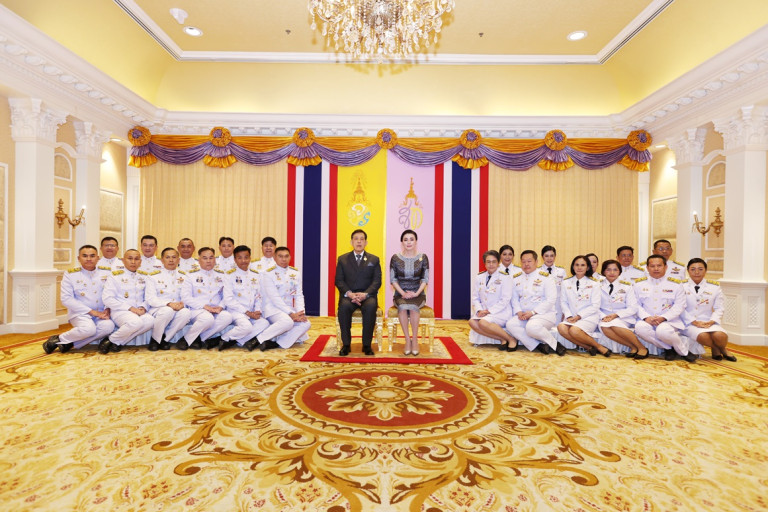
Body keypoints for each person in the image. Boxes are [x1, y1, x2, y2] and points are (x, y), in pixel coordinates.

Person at [42, 245, 114, 354]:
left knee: (108, 327)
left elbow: (111, 294)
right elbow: (66, 299)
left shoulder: (106, 273)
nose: (89, 259)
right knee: (89, 329)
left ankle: (70, 343)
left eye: (92, 256)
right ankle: (59, 338)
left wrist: (108, 308)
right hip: (80, 313)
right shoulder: (71, 274)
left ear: (98, 258)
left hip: (101, 312)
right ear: (78, 258)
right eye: (85, 256)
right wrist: (92, 312)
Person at [634, 255, 697, 363]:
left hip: (669, 320)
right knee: (640, 328)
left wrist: (664, 317)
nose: (656, 269)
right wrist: (646, 317)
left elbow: (680, 305)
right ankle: (669, 348)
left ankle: (684, 352)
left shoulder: (676, 284)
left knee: (662, 330)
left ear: (666, 267)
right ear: (647, 268)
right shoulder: (638, 284)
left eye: (659, 266)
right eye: (652, 266)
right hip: (647, 319)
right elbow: (635, 304)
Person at [506, 250, 565, 355]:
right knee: (510, 325)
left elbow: (551, 299)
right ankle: (537, 345)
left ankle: (555, 344)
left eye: (529, 261)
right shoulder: (516, 277)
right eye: (523, 261)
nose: (526, 264)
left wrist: (533, 312)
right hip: (524, 314)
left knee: (531, 327)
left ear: (536, 262)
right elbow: (514, 298)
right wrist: (519, 311)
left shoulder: (546, 277)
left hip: (543, 314)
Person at [335, 229, 382, 356]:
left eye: (362, 239)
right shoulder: (343, 259)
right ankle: (346, 345)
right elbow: (339, 280)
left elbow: (377, 281)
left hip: (367, 296)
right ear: (351, 242)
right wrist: (350, 294)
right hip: (349, 296)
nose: (359, 241)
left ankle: (366, 345)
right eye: (356, 239)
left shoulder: (374, 259)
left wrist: (365, 294)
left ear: (366, 242)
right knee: (344, 307)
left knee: (371, 306)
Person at [257, 246, 311, 351]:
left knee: (306, 323)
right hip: (272, 309)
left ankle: (277, 342)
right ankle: (259, 339)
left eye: (286, 256)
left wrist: (300, 313)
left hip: (289, 309)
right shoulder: (268, 274)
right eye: (280, 256)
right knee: (287, 322)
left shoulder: (295, 273)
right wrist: (291, 313)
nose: (284, 259)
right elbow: (275, 298)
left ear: (290, 257)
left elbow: (299, 295)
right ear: (274, 257)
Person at [100, 249, 154, 354]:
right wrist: (130, 308)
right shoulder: (114, 276)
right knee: (135, 322)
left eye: (136, 259)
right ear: (123, 260)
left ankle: (115, 341)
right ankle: (114, 341)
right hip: (120, 311)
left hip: (139, 310)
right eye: (130, 259)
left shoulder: (145, 277)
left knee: (150, 321)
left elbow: (149, 296)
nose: (133, 262)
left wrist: (143, 307)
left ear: (140, 262)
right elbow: (107, 298)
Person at [682, 258, 736, 361]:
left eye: (700, 269)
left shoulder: (714, 287)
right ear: (688, 270)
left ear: (705, 271)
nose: (696, 272)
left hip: (708, 321)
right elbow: (679, 308)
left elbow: (719, 308)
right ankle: (720, 349)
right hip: (688, 323)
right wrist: (694, 322)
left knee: (721, 336)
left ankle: (719, 348)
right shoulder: (681, 286)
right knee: (703, 336)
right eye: (693, 269)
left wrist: (712, 321)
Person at [179, 247, 233, 350]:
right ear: (199, 260)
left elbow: (227, 295)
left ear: (215, 260)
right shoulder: (190, 276)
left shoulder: (223, 276)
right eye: (205, 258)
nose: (208, 261)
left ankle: (198, 338)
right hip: (197, 309)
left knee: (227, 317)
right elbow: (185, 297)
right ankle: (185, 340)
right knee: (207, 318)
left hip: (216, 308)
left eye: (211, 258)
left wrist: (221, 306)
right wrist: (204, 306)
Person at [220, 245, 270, 351]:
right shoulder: (229, 276)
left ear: (250, 258)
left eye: (246, 257)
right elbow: (228, 299)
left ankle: (237, 341)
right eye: (240, 258)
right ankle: (223, 338)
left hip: (251, 312)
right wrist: (246, 312)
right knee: (246, 327)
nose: (243, 261)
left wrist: (257, 310)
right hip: (236, 312)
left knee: (264, 323)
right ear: (235, 260)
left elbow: (258, 296)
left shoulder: (255, 275)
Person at [557, 255, 609, 356]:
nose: (579, 267)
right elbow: (563, 302)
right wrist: (569, 316)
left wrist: (579, 316)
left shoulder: (594, 283)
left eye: (582, 265)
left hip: (588, 317)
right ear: (573, 267)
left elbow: (595, 305)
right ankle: (588, 347)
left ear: (587, 267)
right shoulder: (566, 282)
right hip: (571, 316)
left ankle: (599, 347)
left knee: (574, 330)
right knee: (561, 327)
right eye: (577, 265)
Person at [390, 230, 429, 355]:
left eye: (411, 239)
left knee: (412, 307)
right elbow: (393, 279)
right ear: (402, 242)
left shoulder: (423, 258)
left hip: (418, 293)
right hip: (400, 293)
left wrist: (416, 293)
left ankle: (415, 340)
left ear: (416, 241)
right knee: (402, 307)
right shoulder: (395, 258)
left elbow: (425, 279)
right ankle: (407, 340)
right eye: (405, 239)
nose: (408, 242)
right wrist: (402, 293)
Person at [597, 259, 646, 358]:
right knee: (603, 326)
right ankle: (633, 346)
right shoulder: (597, 285)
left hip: (623, 317)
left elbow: (633, 307)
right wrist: (603, 316)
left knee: (614, 323)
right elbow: (594, 305)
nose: (612, 272)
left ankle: (642, 348)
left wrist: (616, 315)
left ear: (619, 271)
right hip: (604, 317)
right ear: (603, 271)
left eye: (615, 270)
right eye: (608, 270)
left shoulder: (627, 286)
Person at [469, 250, 517, 350]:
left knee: (482, 323)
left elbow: (505, 299)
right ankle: (502, 338)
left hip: (501, 312)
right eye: (488, 262)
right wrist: (479, 310)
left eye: (494, 262)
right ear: (484, 263)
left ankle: (511, 339)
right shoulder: (479, 277)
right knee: (472, 322)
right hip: (484, 312)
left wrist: (489, 311)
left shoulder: (505, 277)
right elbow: (475, 297)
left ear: (498, 263)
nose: (491, 264)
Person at [145, 247, 191, 351]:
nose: (171, 260)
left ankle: (165, 339)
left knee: (186, 313)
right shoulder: (153, 276)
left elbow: (188, 295)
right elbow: (150, 298)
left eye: (174, 257)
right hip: (159, 307)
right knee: (167, 311)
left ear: (178, 260)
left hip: (178, 307)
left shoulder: (185, 276)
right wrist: (168, 304)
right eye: (167, 257)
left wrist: (183, 304)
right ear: (162, 260)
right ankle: (155, 339)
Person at [539, 245, 566, 321]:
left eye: (551, 256)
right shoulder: (538, 272)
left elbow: (565, 291)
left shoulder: (561, 271)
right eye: (546, 256)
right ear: (542, 257)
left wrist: (564, 311)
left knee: (557, 327)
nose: (549, 258)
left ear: (555, 256)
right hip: (543, 305)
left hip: (558, 306)